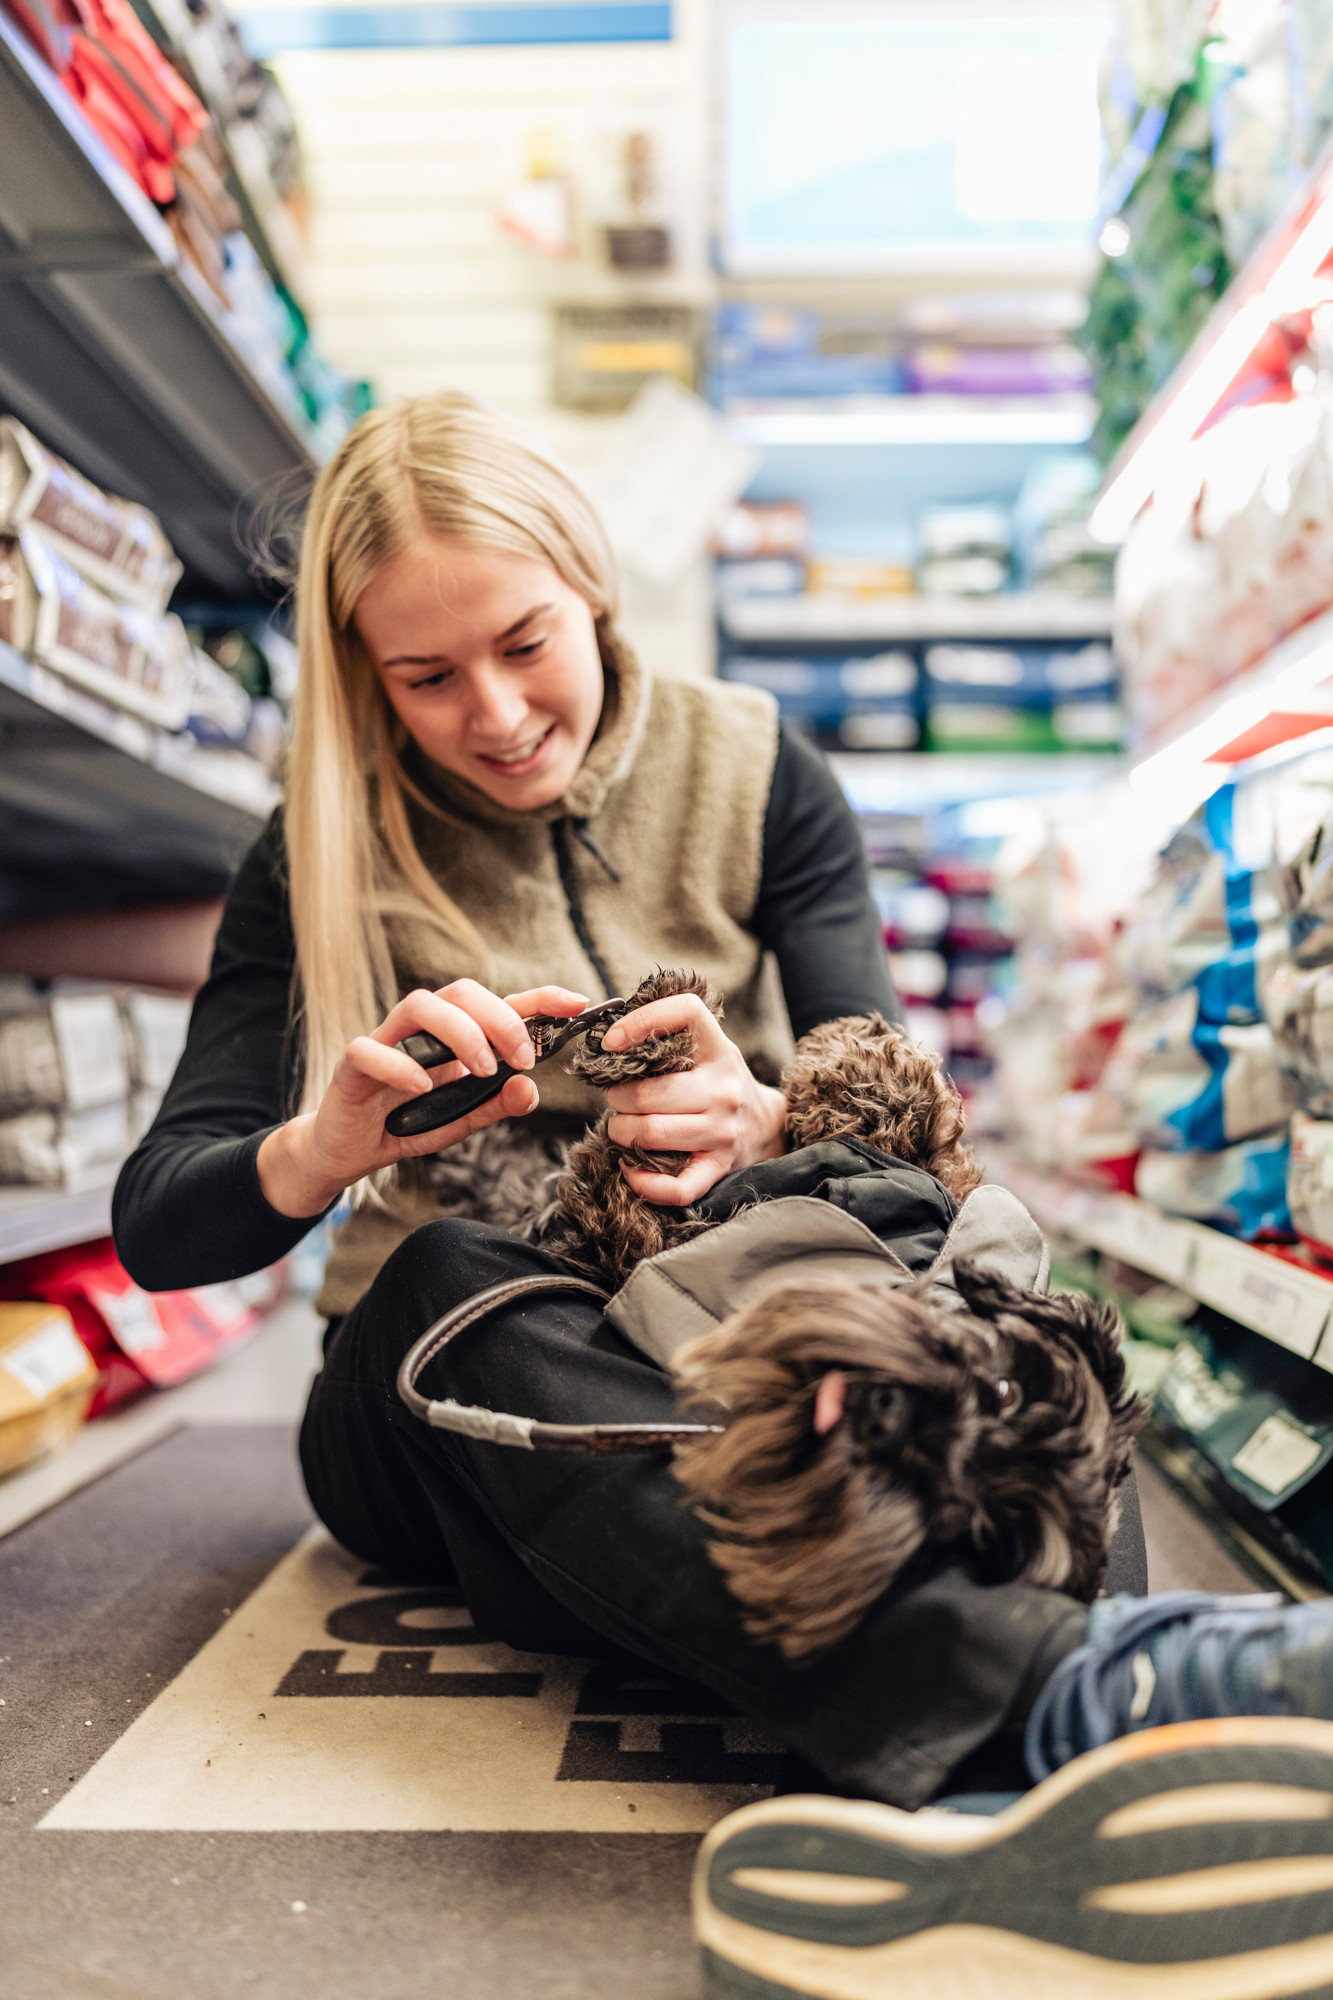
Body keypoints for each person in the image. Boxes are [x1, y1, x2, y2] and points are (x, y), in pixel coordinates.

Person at [112, 392, 1333, 1971]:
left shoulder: (758, 769)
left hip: (720, 1358)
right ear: (363, 674)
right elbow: (159, 1222)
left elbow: (893, 1121)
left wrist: (765, 1118)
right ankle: (1081, 1696)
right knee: (455, 1273)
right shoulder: (315, 848)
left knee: (986, 1299)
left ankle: (1075, 1712)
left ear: (592, 587)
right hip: (450, 1414)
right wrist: (321, 1145)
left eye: (523, 641)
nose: (491, 712)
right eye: (424, 677)